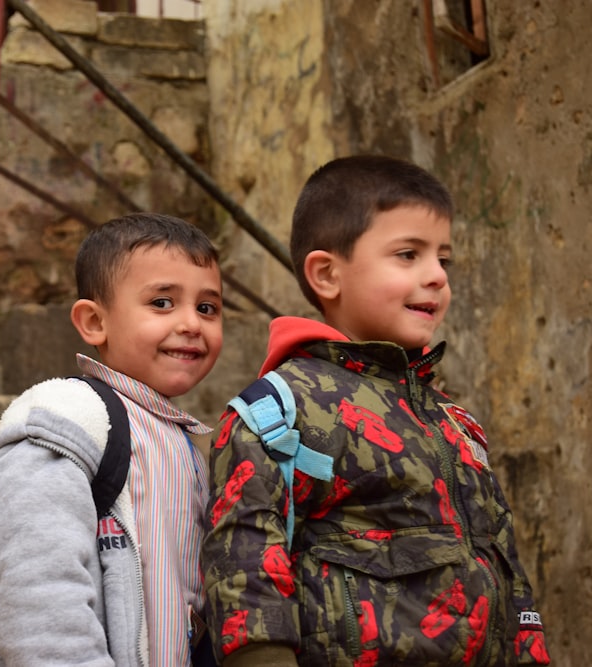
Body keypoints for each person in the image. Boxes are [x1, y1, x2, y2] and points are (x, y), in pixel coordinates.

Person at [201, 155, 551, 666]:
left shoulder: (453, 421)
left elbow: (507, 573)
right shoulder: (278, 412)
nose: (436, 276)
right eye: (408, 254)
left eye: (443, 259)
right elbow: (246, 575)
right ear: (326, 274)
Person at [0, 212, 223, 666]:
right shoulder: (68, 420)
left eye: (207, 307)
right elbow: (36, 590)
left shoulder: (180, 442)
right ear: (94, 322)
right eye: (162, 302)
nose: (192, 323)